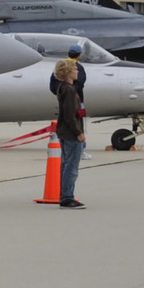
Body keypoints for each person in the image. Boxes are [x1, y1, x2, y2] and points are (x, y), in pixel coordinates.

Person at [54, 59, 86, 208]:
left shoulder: (63, 88)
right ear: (68, 73)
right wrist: (78, 132)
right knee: (71, 167)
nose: (77, 71)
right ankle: (67, 196)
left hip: (65, 132)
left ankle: (65, 194)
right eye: (74, 69)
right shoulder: (70, 90)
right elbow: (70, 115)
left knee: (66, 165)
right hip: (71, 133)